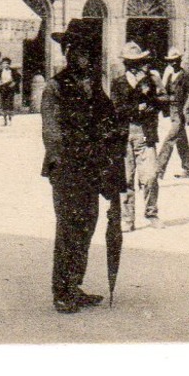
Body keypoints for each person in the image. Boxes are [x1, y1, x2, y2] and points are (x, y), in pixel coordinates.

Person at [41, 22, 124, 313]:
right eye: (76, 52)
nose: (83, 58)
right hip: (67, 169)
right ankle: (61, 291)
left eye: (87, 53)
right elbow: (52, 133)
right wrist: (69, 161)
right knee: (68, 229)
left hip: (91, 169)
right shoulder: (55, 87)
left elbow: (110, 121)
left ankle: (74, 285)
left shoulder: (94, 86)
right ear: (67, 53)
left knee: (87, 226)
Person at [110, 42, 161, 230]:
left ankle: (151, 212)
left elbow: (159, 103)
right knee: (126, 178)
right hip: (125, 133)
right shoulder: (118, 82)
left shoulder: (150, 81)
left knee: (150, 176)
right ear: (125, 63)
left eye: (137, 61)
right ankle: (127, 218)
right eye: (130, 62)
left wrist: (149, 95)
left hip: (145, 133)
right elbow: (116, 109)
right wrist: (136, 108)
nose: (133, 65)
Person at [155, 50, 189, 182]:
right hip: (172, 109)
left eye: (176, 60)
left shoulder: (184, 75)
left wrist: (187, 112)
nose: (173, 62)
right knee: (181, 139)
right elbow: (164, 91)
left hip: (180, 110)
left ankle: (159, 169)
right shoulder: (170, 74)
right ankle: (188, 168)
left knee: (170, 138)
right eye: (171, 60)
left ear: (179, 60)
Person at [0, 56, 19, 125]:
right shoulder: (0, 71)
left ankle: (10, 120)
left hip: (10, 89)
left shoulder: (12, 71)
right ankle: (5, 121)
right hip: (3, 89)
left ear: (9, 64)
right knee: (3, 104)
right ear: (2, 64)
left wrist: (13, 84)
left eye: (7, 63)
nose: (5, 65)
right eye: (4, 63)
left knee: (10, 104)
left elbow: (18, 78)